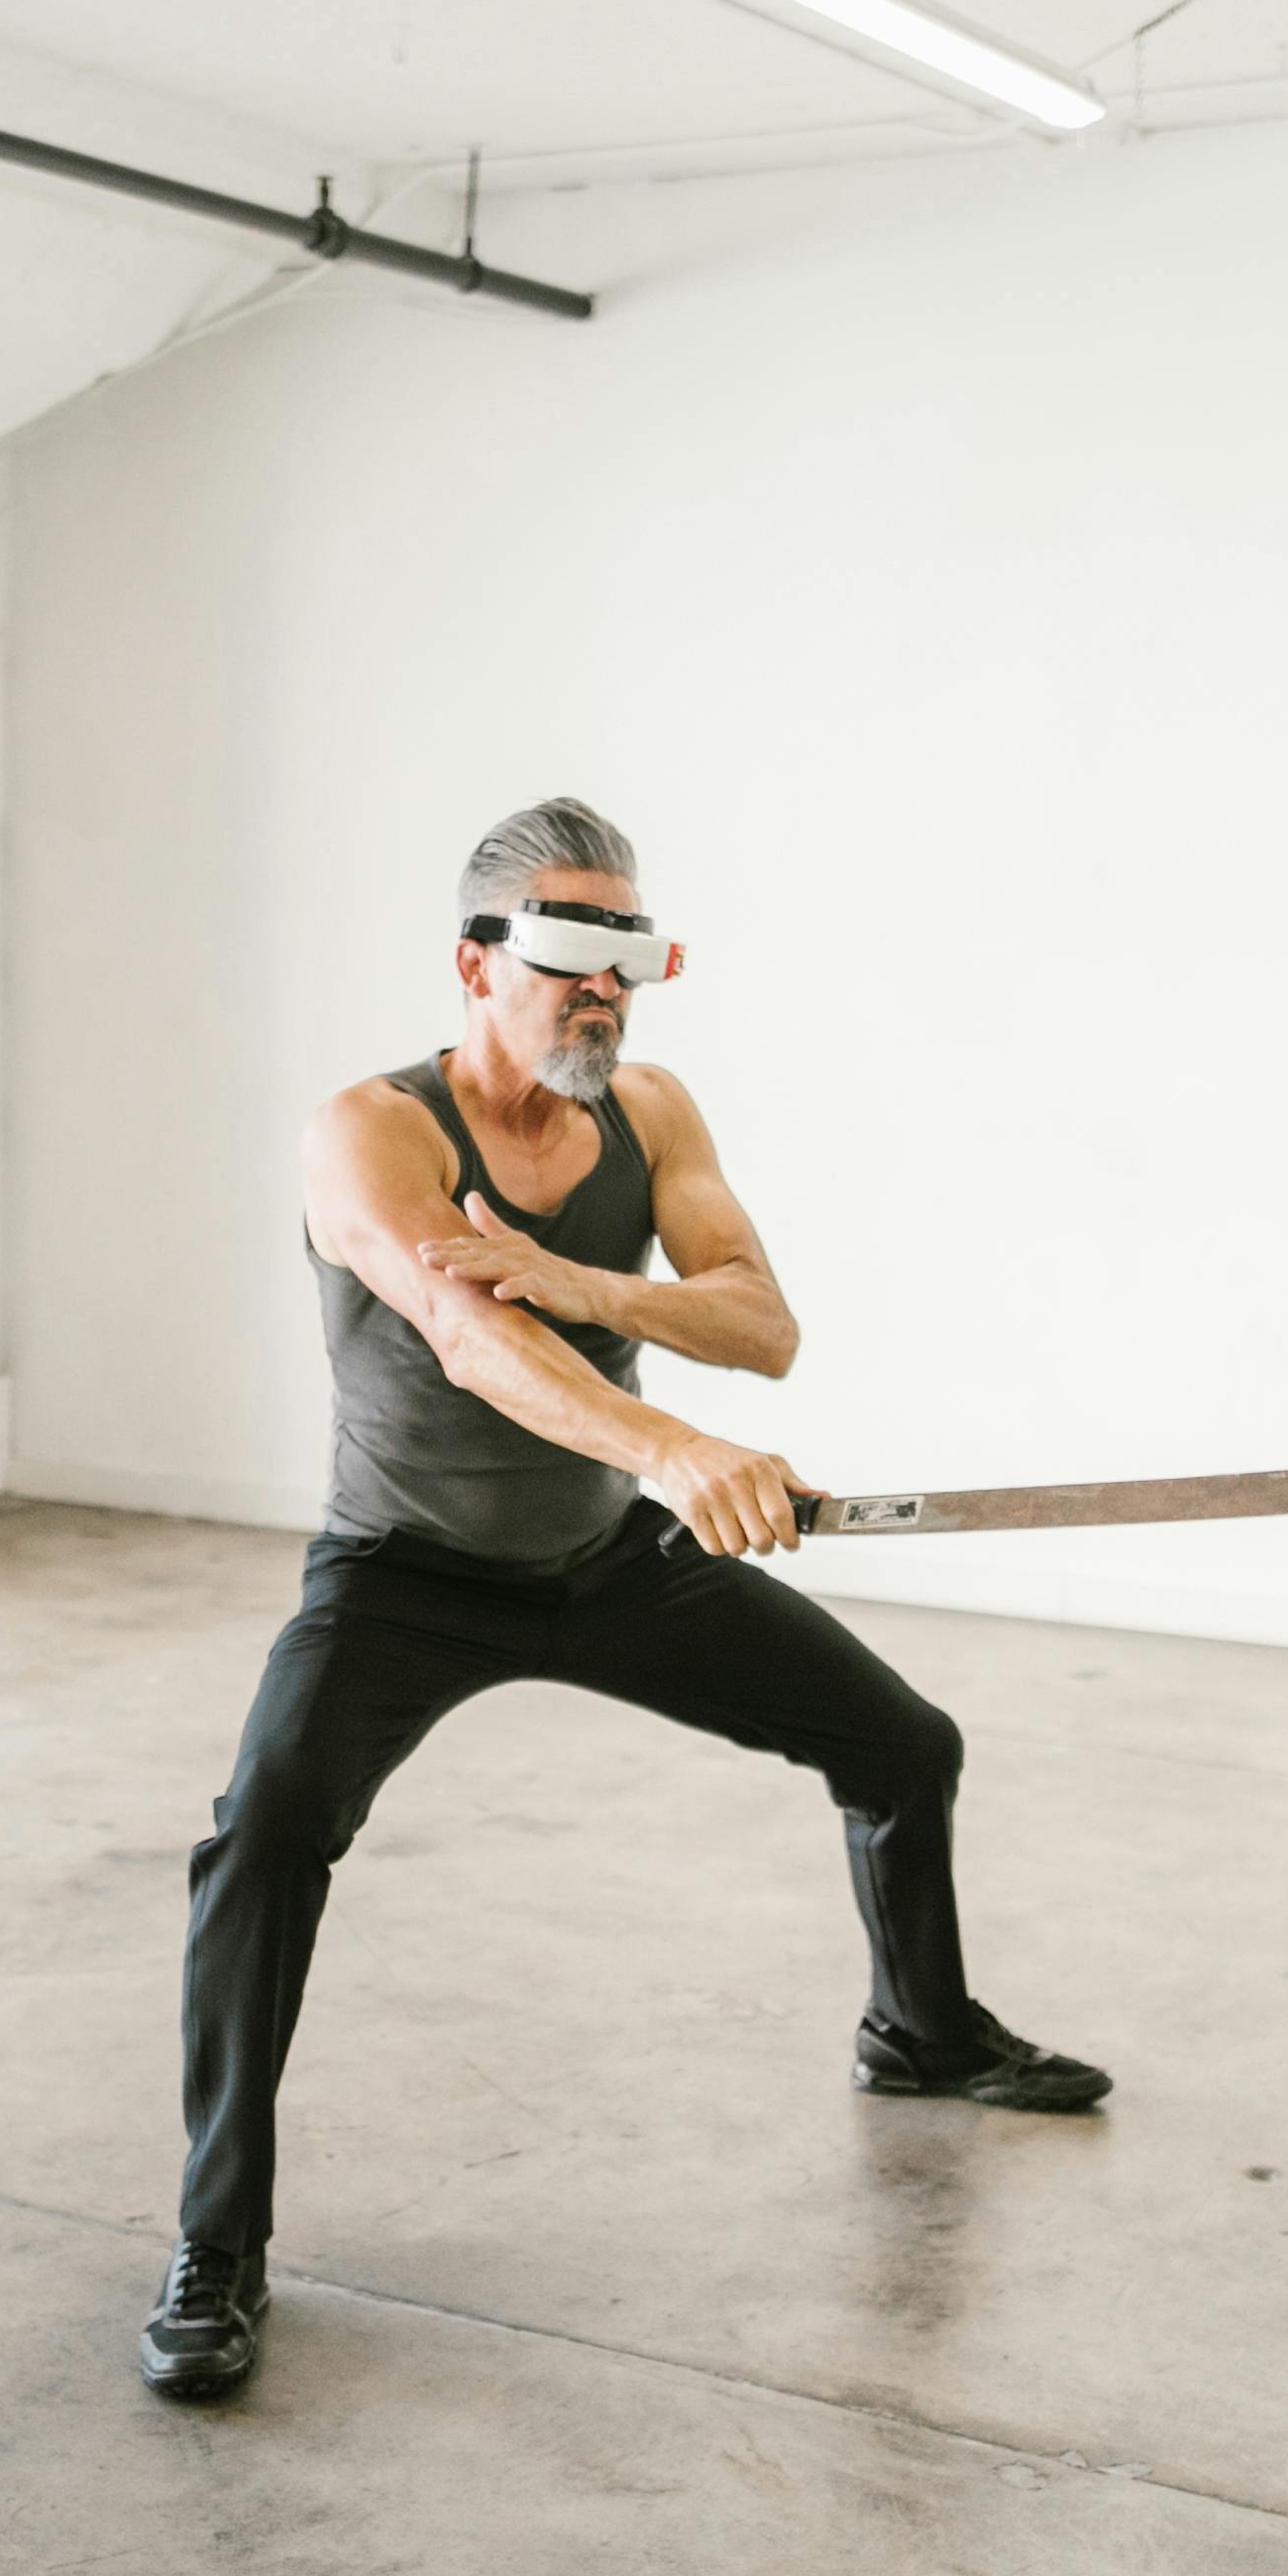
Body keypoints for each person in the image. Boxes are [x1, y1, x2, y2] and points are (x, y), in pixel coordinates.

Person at [140, 799, 1109, 2401]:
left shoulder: (648, 1110)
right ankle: (217, 2244)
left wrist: (589, 1286)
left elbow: (763, 1325)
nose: (608, 990)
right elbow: (471, 1342)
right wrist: (669, 1446)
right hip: (407, 1574)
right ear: (476, 961)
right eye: (572, 950)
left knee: (903, 1747)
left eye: (631, 957)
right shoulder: (370, 1135)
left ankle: (920, 2030)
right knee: (263, 1840)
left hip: (607, 1558)